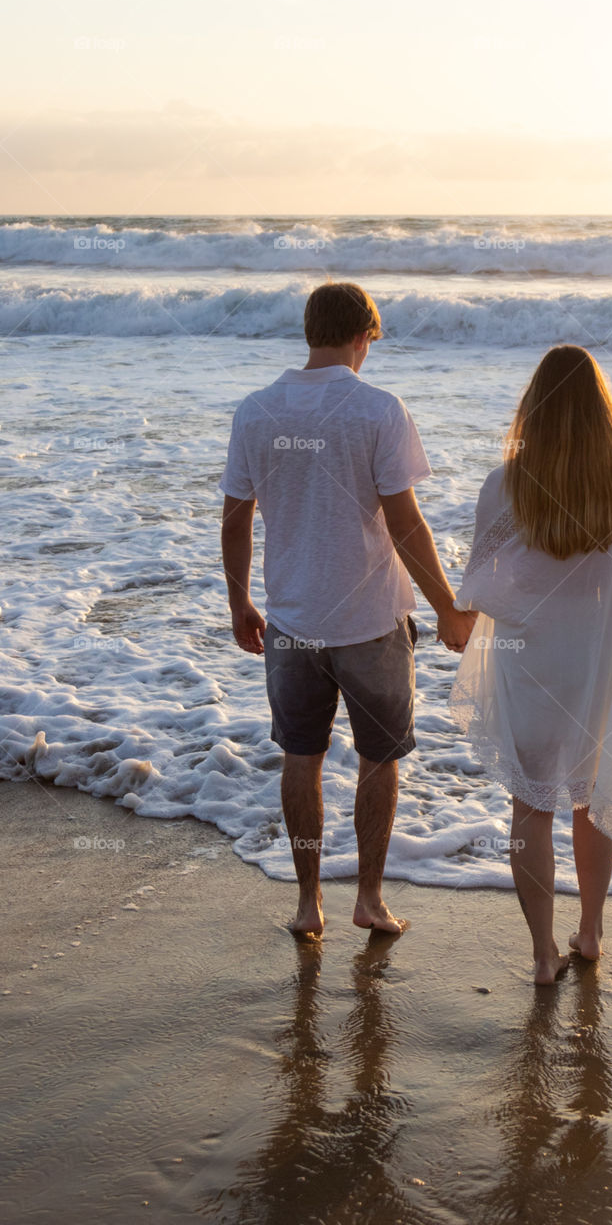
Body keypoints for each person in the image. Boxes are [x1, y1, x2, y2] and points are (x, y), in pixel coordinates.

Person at [220, 281, 476, 938]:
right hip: (371, 625)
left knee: (301, 761)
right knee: (377, 761)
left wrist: (239, 600)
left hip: (292, 623)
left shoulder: (255, 411)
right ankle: (368, 898)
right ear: (363, 335)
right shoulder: (378, 410)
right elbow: (406, 525)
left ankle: (308, 904)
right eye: (372, 341)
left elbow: (234, 520)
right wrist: (447, 608)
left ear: (310, 332)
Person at [450, 345, 612, 983]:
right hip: (595, 666)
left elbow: (482, 584)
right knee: (592, 799)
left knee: (530, 806)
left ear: (534, 408)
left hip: (531, 661)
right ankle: (592, 931)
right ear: (604, 412)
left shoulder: (507, 483)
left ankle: (544, 954)